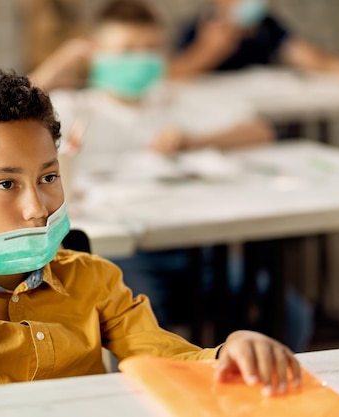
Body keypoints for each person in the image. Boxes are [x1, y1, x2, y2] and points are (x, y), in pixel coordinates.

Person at [0, 67, 300, 397]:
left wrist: (231, 350)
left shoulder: (94, 280)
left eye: (49, 177)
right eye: (6, 184)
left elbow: (170, 359)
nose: (37, 208)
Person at [33, 0, 273, 335]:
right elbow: (4, 121)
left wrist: (191, 141)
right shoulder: (73, 109)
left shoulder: (171, 100)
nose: (138, 60)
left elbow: (259, 131)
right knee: (141, 325)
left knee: (280, 307)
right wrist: (59, 63)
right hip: (120, 251)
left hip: (190, 245)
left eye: (149, 49)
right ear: (97, 52)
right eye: (126, 50)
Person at [169, 0, 339, 80]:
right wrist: (210, 50)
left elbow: (309, 57)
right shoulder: (198, 27)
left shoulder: (267, 26)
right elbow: (175, 74)